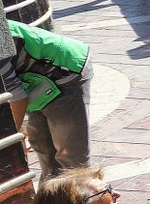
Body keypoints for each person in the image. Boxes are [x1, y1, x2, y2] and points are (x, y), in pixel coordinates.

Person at [2, 18, 91, 178]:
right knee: (44, 149)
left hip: (65, 70)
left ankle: (85, 199)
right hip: (35, 82)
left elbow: (17, 97)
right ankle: (53, 200)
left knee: (71, 159)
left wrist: (11, 139)